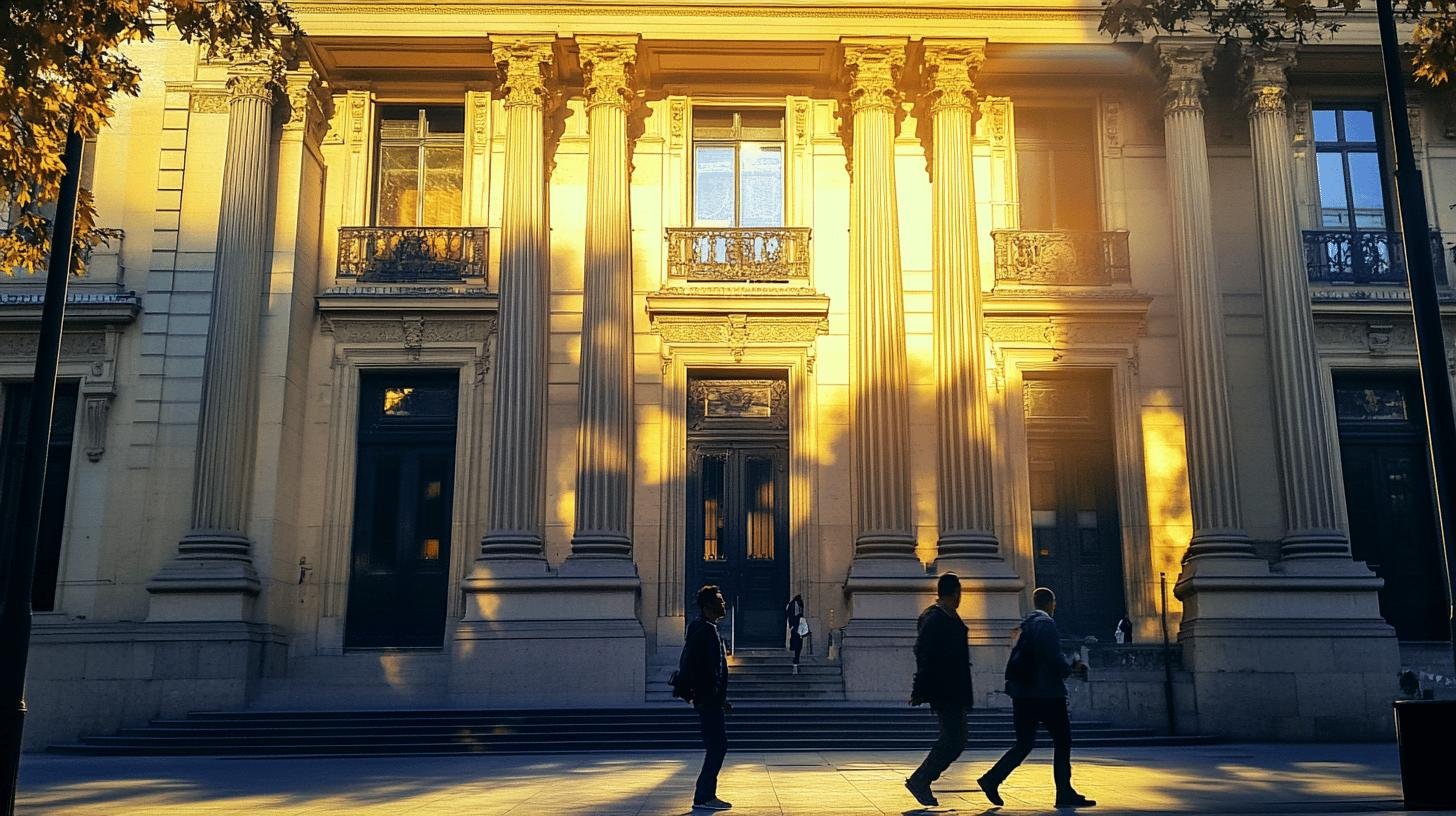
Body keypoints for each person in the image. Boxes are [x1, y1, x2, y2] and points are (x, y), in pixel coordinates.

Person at [976, 587, 1097, 809]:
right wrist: (1073, 666)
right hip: (1046, 694)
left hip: (1023, 693)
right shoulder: (1046, 624)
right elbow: (1052, 658)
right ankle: (1064, 792)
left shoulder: (1026, 624)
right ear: (1051, 603)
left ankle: (992, 779)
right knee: (1063, 741)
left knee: (1023, 743)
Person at [905, 572, 974, 808]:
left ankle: (921, 779)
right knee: (955, 739)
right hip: (946, 689)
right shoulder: (935, 618)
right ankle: (920, 779)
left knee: (954, 738)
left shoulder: (944, 615)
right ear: (956, 593)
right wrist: (921, 687)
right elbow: (922, 651)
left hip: (953, 687)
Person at [683, 584, 732, 812]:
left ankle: (705, 794)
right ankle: (704, 795)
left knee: (717, 746)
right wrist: (711, 695)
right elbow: (705, 668)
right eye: (719, 601)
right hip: (708, 700)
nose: (723, 604)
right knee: (718, 745)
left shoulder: (704, 628)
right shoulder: (705, 630)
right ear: (707, 606)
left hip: (709, 699)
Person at [784, 594, 806, 674]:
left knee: (796, 644)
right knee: (798, 644)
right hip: (797, 628)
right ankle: (796, 663)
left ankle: (796, 662)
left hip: (795, 628)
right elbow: (796, 616)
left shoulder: (791, 604)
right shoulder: (796, 605)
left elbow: (789, 615)